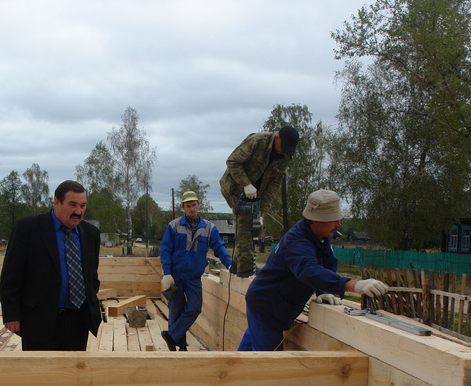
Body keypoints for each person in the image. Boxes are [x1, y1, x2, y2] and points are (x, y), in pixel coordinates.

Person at [238, 189, 388, 351]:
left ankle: (230, 375)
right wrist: (353, 285)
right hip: (266, 306)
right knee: (268, 363)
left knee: (248, 354)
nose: (338, 224)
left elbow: (328, 262)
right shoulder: (297, 241)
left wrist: (323, 290)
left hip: (275, 304)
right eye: (333, 220)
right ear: (316, 220)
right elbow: (308, 271)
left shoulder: (320, 237)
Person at [0, 180, 102, 350]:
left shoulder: (90, 233)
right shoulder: (28, 229)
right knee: (39, 374)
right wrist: (11, 315)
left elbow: (91, 275)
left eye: (83, 206)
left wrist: (90, 298)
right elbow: (11, 275)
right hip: (39, 320)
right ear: (56, 201)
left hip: (78, 321)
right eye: (72, 205)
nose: (78, 211)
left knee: (73, 373)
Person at [219, 125, 300, 277]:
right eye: (282, 147)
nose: (283, 151)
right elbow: (232, 162)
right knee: (244, 229)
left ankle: (236, 267)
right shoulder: (257, 141)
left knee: (255, 229)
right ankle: (246, 272)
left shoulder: (285, 157)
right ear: (277, 138)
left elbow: (273, 187)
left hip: (257, 196)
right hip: (235, 189)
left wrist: (262, 213)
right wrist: (246, 184)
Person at [159, 190, 232, 351]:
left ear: (198, 205)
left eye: (194, 205)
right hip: (176, 276)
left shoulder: (209, 228)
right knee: (176, 310)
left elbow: (219, 247)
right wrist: (167, 272)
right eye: (188, 206)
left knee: (194, 307)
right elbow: (165, 250)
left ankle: (171, 336)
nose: (191, 208)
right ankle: (181, 346)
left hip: (193, 277)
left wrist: (229, 264)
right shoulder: (174, 226)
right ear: (183, 207)